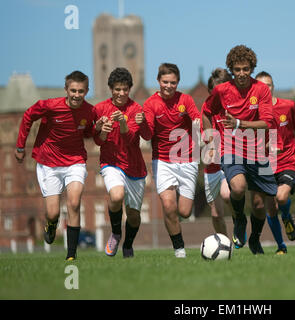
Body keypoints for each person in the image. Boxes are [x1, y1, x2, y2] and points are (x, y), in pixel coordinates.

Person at [202, 45, 279, 255]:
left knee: (259, 204)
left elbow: (266, 122)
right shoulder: (222, 91)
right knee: (237, 188)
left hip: (257, 151)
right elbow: (206, 112)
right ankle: (239, 220)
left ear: (252, 68)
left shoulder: (261, 90)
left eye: (246, 69)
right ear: (231, 69)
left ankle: (255, 239)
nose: (242, 73)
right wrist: (210, 137)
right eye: (237, 69)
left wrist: (239, 123)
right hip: (231, 148)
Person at [15, 70, 95, 261]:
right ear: (66, 89)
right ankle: (51, 225)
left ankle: (71, 254)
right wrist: (20, 146)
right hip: (48, 163)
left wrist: (98, 129)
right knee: (53, 212)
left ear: (87, 91)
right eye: (73, 90)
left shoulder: (90, 111)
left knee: (74, 203)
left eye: (81, 91)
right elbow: (28, 116)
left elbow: (88, 132)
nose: (76, 95)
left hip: (75, 161)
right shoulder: (50, 106)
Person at [143, 63, 201, 258]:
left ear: (178, 83)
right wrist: (142, 126)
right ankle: (179, 249)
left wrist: (199, 127)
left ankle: (179, 238)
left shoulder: (186, 99)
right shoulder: (150, 104)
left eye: (173, 83)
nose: (168, 86)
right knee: (168, 205)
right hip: (163, 161)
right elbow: (148, 132)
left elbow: (196, 118)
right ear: (159, 81)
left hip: (188, 159)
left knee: (184, 212)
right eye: (165, 82)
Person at [93, 67, 150, 259]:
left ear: (130, 89)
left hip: (134, 167)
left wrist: (122, 123)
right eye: (118, 89)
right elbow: (97, 141)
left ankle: (128, 245)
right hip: (111, 163)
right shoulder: (100, 108)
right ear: (111, 89)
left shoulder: (136, 109)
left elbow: (132, 139)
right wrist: (101, 129)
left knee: (134, 215)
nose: (121, 93)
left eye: (125, 89)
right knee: (116, 197)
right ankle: (116, 234)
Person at [256, 71, 295, 255]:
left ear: (273, 87)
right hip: (265, 163)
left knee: (281, 197)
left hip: (288, 159)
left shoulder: (288, 106)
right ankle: (281, 246)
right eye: (261, 86)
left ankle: (286, 216)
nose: (265, 89)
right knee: (270, 208)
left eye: (268, 85)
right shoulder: (252, 113)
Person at [201, 68, 232, 236]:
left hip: (231, 162)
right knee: (215, 214)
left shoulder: (235, 106)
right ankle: (225, 243)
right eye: (215, 91)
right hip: (212, 166)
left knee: (227, 195)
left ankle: (239, 221)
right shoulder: (206, 109)